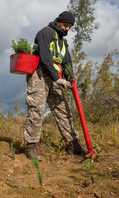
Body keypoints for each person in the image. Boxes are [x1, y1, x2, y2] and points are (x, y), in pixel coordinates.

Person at [24, 11, 88, 161]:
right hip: (39, 76)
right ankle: (31, 146)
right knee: (36, 110)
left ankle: (74, 144)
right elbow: (45, 57)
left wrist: (70, 75)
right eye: (65, 25)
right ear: (58, 22)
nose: (67, 28)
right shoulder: (45, 33)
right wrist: (57, 79)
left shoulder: (62, 41)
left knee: (64, 111)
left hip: (55, 78)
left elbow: (66, 61)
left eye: (70, 27)